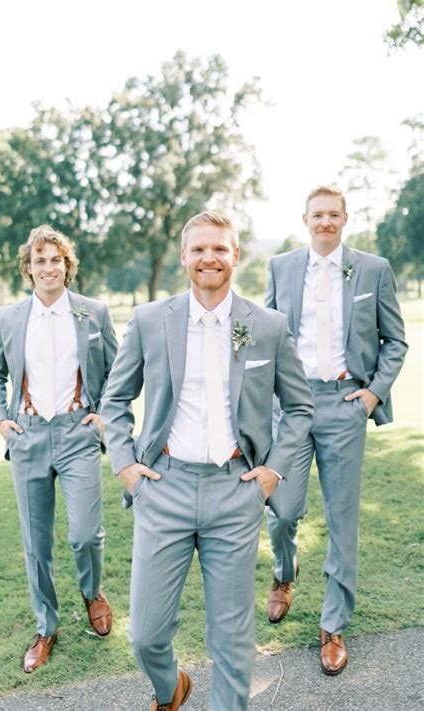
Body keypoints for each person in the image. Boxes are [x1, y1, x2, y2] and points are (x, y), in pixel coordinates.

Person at [101, 211, 313, 711]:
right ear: (184, 257)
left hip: (236, 489)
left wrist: (270, 473)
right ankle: (171, 687)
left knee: (233, 641)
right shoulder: (150, 320)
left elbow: (301, 407)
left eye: (219, 248)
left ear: (235, 255)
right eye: (198, 249)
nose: (209, 258)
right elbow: (114, 401)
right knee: (146, 635)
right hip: (164, 486)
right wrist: (128, 467)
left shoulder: (268, 325)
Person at [264, 185, 408, 675]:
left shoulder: (373, 269)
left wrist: (372, 395)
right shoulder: (282, 268)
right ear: (304, 219)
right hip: (293, 406)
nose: (325, 222)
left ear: (344, 219)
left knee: (342, 520)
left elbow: (395, 340)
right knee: (282, 510)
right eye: (317, 215)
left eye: (333, 215)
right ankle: (285, 573)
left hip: (346, 405)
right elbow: (266, 335)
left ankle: (333, 624)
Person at [0, 225, 118, 673]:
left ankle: (92, 593)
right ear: (29, 268)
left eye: (55, 260)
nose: (48, 267)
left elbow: (119, 372)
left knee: (84, 533)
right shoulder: (8, 319)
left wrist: (104, 417)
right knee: (36, 542)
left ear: (67, 266)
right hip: (28, 436)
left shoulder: (94, 313)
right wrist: (0, 419)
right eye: (39, 260)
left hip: (78, 433)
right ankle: (46, 626)